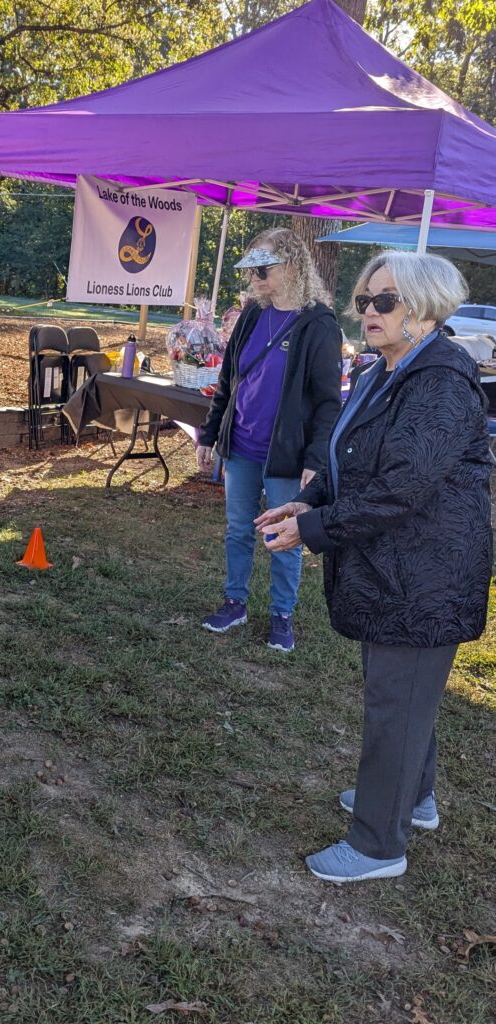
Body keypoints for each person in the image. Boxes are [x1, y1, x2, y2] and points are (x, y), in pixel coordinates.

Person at [257, 251, 492, 883]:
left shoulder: (441, 381)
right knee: (405, 699)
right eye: (363, 300)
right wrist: (310, 501)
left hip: (425, 573)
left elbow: (399, 489)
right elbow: (349, 463)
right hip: (391, 566)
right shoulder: (381, 371)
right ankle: (412, 799)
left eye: (383, 301)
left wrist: (311, 528)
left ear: (423, 309)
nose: (367, 311)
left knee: (397, 705)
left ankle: (376, 846)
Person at [196, 228, 342, 652]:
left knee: (283, 538)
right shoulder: (252, 314)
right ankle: (234, 602)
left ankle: (282, 614)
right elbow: (228, 380)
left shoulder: (319, 325)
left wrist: (314, 459)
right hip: (240, 448)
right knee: (238, 529)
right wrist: (210, 432)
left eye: (263, 269)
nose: (254, 278)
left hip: (287, 457)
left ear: (292, 265)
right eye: (251, 270)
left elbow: (328, 403)